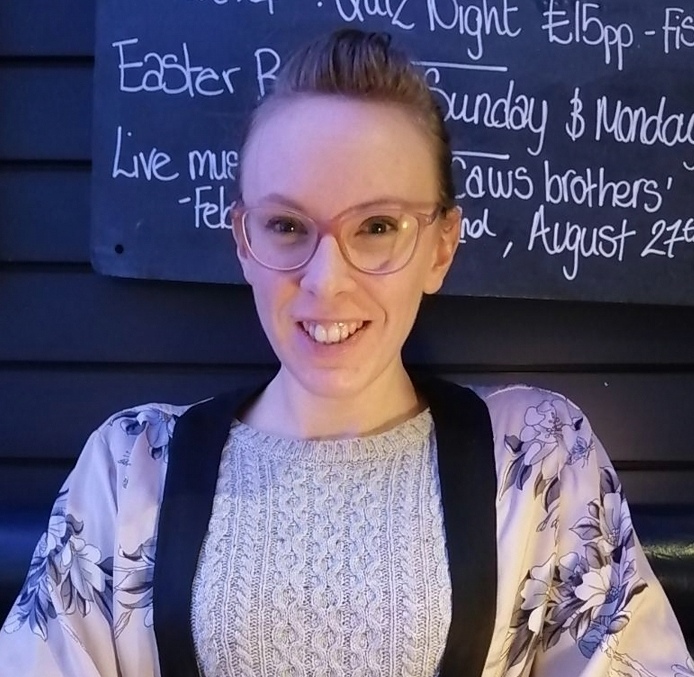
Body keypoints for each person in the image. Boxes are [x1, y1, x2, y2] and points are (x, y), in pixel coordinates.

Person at [0, 28, 691, 677]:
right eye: (287, 225)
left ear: (441, 247)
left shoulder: (535, 458)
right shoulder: (131, 466)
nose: (326, 281)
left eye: (379, 226)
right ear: (244, 239)